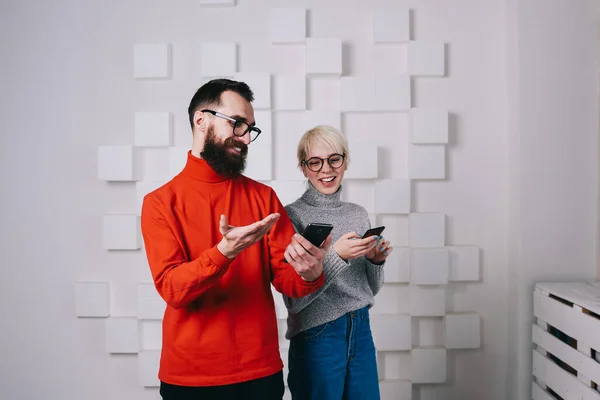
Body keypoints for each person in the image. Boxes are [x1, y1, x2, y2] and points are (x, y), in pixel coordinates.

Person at [140, 78, 331, 400]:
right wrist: (224, 252)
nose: (245, 138)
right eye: (237, 124)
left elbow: (287, 280)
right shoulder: (160, 202)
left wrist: (310, 272)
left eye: (250, 128)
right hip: (189, 378)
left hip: (260, 373)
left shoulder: (263, 197)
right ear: (201, 119)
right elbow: (173, 290)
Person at [282, 125, 393, 400]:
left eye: (334, 159)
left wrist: (375, 262)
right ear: (303, 168)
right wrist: (338, 256)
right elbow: (294, 299)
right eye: (315, 162)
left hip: (360, 327)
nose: (326, 169)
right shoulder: (292, 215)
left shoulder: (358, 213)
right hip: (317, 334)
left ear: (345, 161)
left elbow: (368, 289)